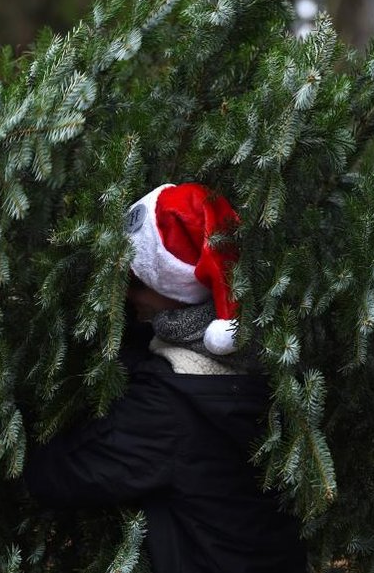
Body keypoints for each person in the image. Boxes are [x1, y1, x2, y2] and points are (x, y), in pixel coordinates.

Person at [24, 183, 307, 573]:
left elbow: (57, 474)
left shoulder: (171, 405)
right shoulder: (263, 354)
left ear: (177, 289)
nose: (125, 294)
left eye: (137, 281)